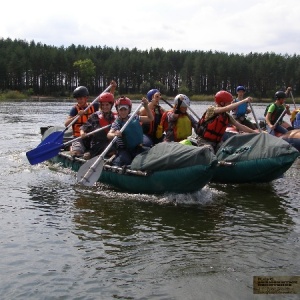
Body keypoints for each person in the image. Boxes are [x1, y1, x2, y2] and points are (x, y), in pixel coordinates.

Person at [107, 96, 154, 166]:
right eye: (121, 110)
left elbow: (150, 118)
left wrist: (146, 106)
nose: (123, 112)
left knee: (151, 156)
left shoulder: (134, 117)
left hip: (137, 148)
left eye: (125, 109)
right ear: (118, 110)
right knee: (125, 161)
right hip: (124, 149)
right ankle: (114, 160)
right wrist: (115, 134)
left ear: (129, 110)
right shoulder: (117, 123)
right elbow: (109, 134)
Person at [79, 81, 117, 159]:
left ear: (111, 105)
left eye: (107, 105)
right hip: (97, 144)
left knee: (115, 148)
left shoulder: (115, 117)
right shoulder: (95, 116)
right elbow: (83, 127)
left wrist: (113, 88)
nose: (105, 107)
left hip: (110, 144)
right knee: (87, 156)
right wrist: (82, 133)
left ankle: (112, 156)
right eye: (103, 105)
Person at [65, 86, 99, 156]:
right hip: (78, 137)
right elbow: (66, 124)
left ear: (86, 98)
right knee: (77, 153)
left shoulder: (94, 106)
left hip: (92, 136)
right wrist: (77, 116)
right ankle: (72, 148)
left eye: (81, 99)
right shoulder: (74, 109)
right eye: (77, 99)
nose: (79, 101)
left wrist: (112, 89)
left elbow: (107, 103)